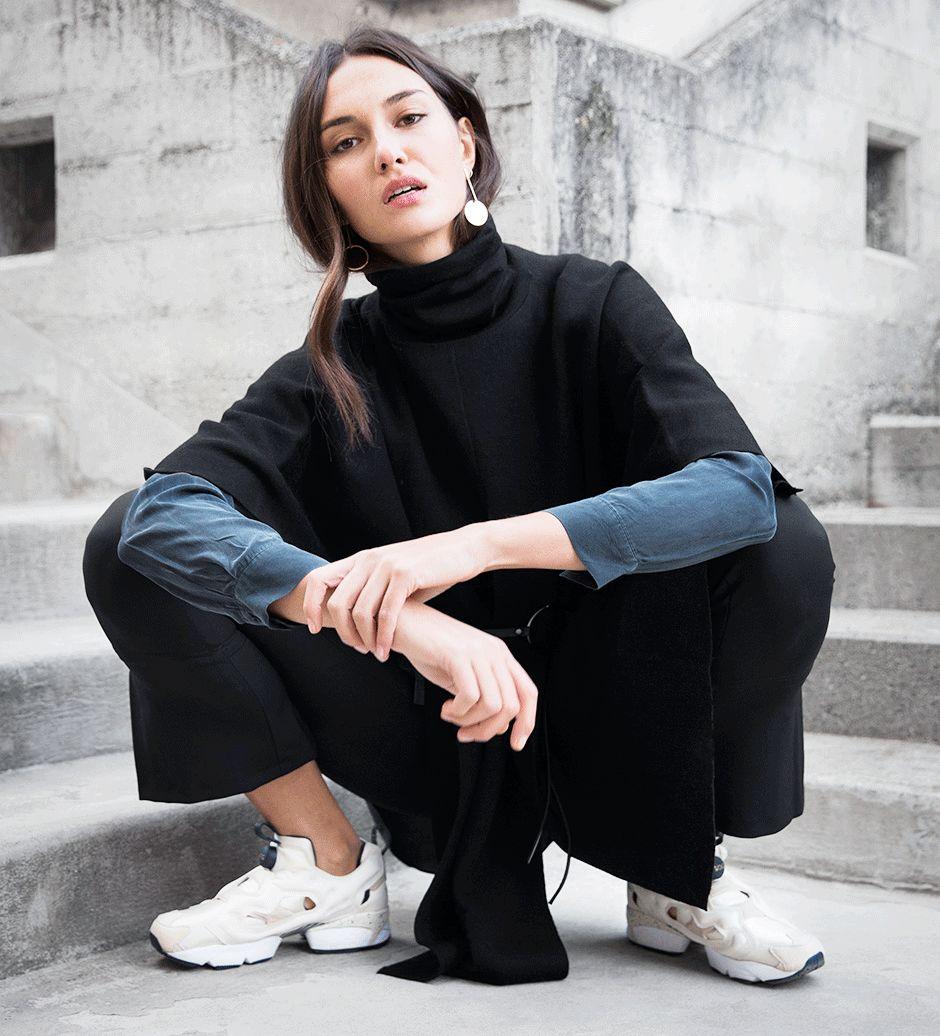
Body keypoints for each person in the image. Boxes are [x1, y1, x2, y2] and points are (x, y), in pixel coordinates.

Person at [83, 24, 835, 986]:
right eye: (346, 141)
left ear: (466, 140)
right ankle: (327, 861)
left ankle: (677, 868)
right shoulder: (326, 370)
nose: (387, 151)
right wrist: (408, 624)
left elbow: (736, 488)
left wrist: (470, 549)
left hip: (614, 705)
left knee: (783, 541)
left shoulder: (594, 304)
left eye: (409, 119)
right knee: (128, 541)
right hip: (424, 720)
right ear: (328, 192)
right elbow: (162, 518)